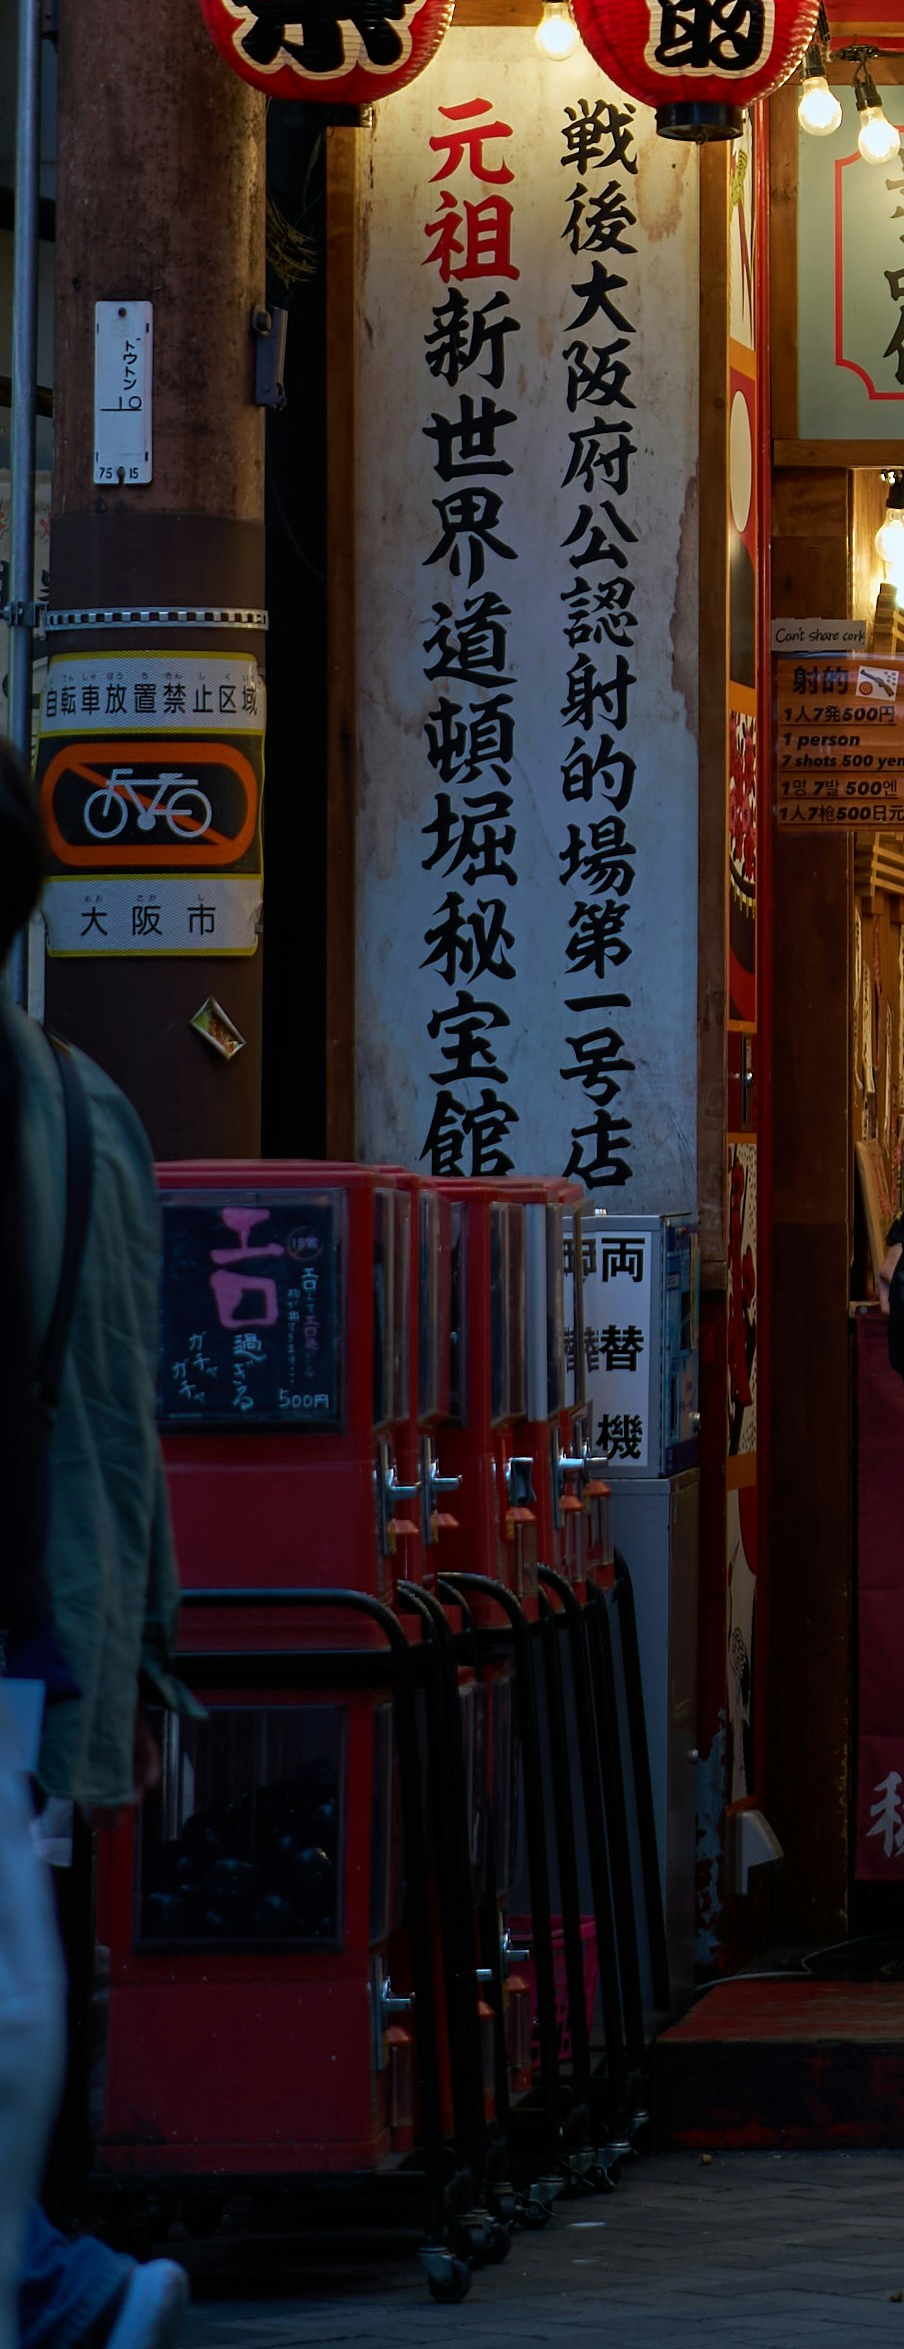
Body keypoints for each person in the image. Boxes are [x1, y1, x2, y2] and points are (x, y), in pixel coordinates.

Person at [0, 760, 179, 2349]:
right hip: (38, 1641)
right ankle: (52, 2275)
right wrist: (144, 1655)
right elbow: (124, 1415)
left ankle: (53, 2278)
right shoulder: (82, 1106)